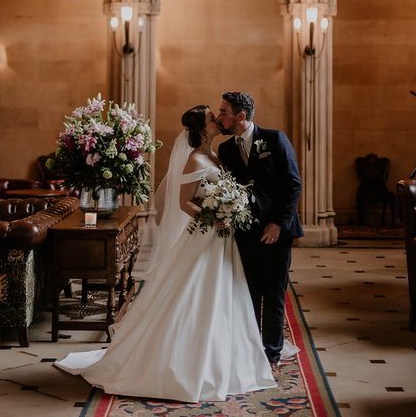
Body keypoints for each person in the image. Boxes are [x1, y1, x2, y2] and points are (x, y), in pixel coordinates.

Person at [55, 105, 277, 402]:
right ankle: (183, 362)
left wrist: (230, 210)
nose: (216, 119)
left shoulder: (215, 154)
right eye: (212, 118)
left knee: (225, 294)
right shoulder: (194, 159)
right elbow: (185, 203)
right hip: (206, 235)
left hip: (222, 238)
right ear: (201, 129)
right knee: (195, 293)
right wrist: (212, 217)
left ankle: (223, 355)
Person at [217, 92, 303, 372]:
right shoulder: (227, 149)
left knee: (274, 294)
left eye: (224, 112)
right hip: (245, 234)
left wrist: (278, 223)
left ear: (241, 116)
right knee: (249, 294)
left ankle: (272, 353)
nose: (221, 117)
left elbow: (293, 184)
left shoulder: (275, 138)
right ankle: (251, 348)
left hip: (278, 232)